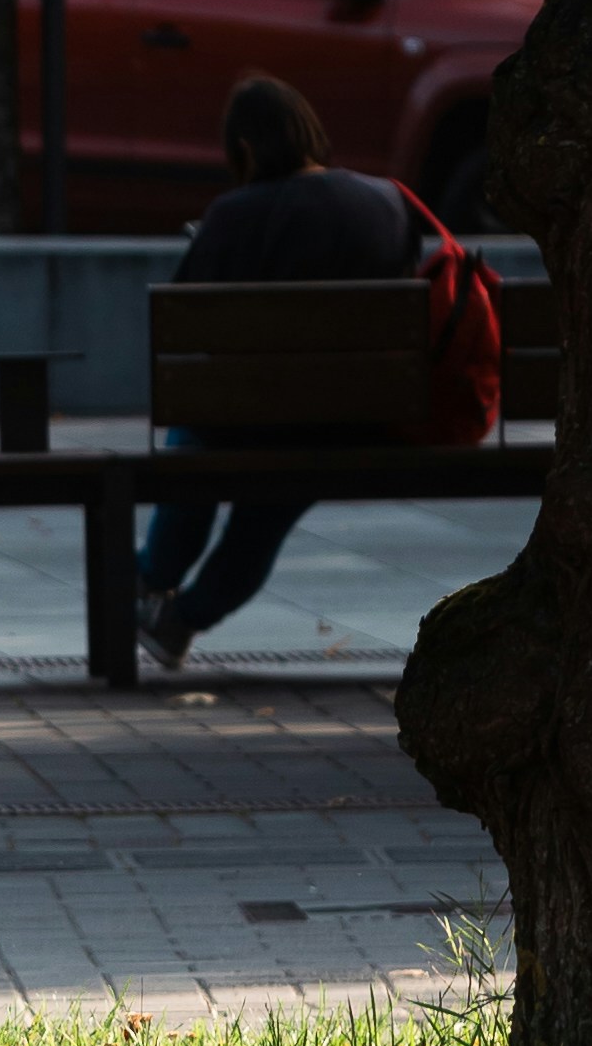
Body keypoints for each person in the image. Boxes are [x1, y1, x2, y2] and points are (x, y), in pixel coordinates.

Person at [136, 71, 426, 672]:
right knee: (266, 507)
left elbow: (188, 319)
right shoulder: (389, 202)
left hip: (242, 421)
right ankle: (183, 618)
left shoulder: (235, 213)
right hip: (356, 420)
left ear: (244, 148)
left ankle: (151, 585)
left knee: (196, 444)